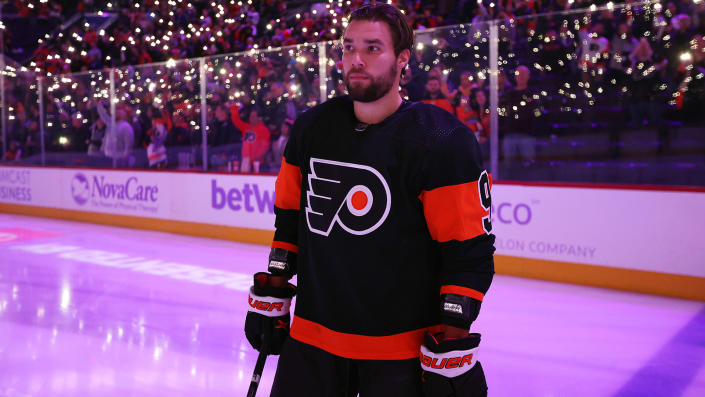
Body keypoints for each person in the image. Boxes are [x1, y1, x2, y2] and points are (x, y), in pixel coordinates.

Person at [245, 4, 494, 396]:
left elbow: (467, 252)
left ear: (402, 60)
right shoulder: (312, 130)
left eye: (373, 48)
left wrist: (453, 342)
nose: (356, 60)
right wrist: (274, 288)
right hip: (311, 344)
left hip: (401, 355)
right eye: (348, 47)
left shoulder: (442, 142)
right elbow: (290, 220)